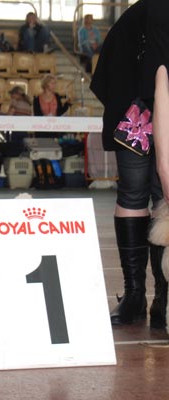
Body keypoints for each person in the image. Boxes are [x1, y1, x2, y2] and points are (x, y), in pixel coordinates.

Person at [91, 0, 168, 328]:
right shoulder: (160, 10)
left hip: (158, 91)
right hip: (135, 97)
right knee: (138, 190)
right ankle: (135, 294)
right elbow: (161, 82)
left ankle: (163, 296)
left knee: (161, 195)